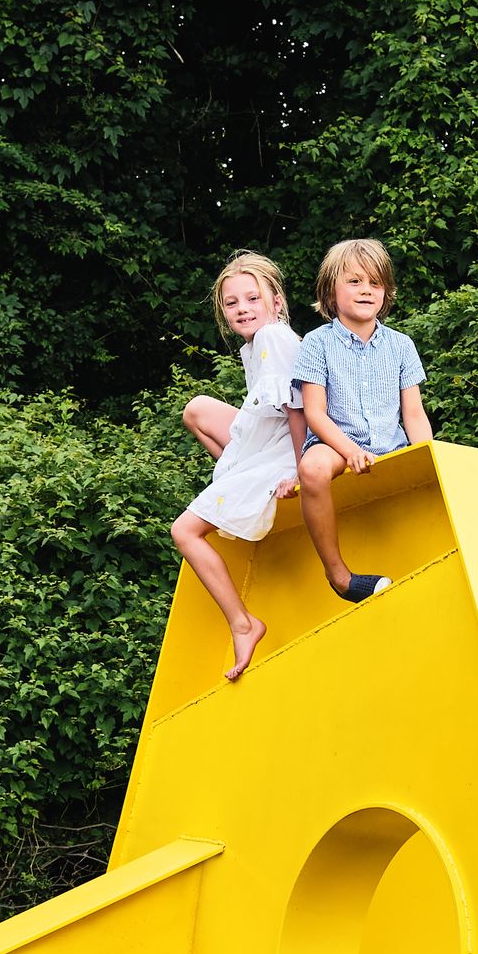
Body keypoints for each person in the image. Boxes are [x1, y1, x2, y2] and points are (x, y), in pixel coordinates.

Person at [171, 253, 307, 681]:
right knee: (197, 410)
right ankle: (236, 489)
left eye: (253, 298)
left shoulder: (273, 338)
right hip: (266, 441)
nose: (243, 308)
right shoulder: (257, 345)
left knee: (184, 531)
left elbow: (298, 405)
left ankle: (244, 624)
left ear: (277, 302)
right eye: (232, 303)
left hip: (289, 449)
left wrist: (302, 472)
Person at [294, 237, 432, 601]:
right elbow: (314, 413)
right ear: (330, 292)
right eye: (354, 282)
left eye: (375, 283)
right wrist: (350, 449)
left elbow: (413, 413)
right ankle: (339, 575)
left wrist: (427, 456)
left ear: (386, 292)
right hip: (337, 445)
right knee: (312, 468)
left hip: (391, 445)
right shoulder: (316, 343)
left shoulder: (401, 345)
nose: (366, 290)